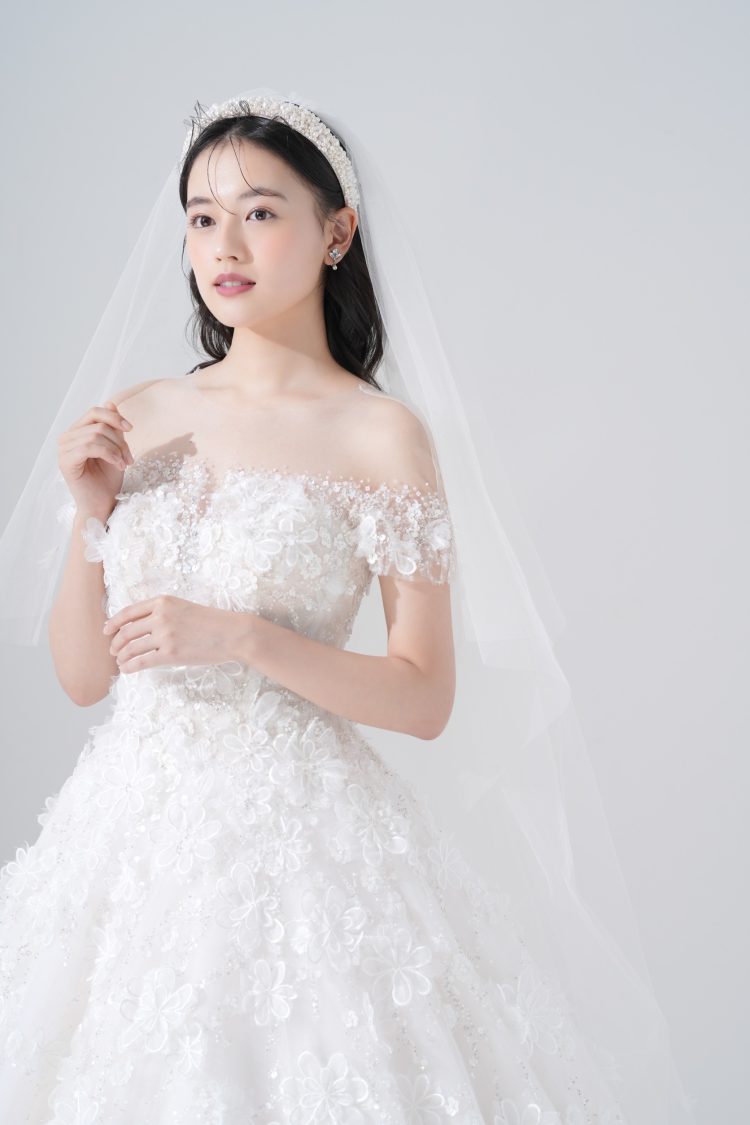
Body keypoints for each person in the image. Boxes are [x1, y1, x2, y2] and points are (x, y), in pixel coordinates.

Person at [0, 90, 696, 1123]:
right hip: (127, 845)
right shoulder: (138, 414)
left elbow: (423, 697)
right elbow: (82, 675)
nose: (225, 244)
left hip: (303, 845)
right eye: (202, 216)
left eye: (260, 212)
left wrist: (240, 637)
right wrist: (93, 514)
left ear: (337, 232)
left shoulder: (380, 437)